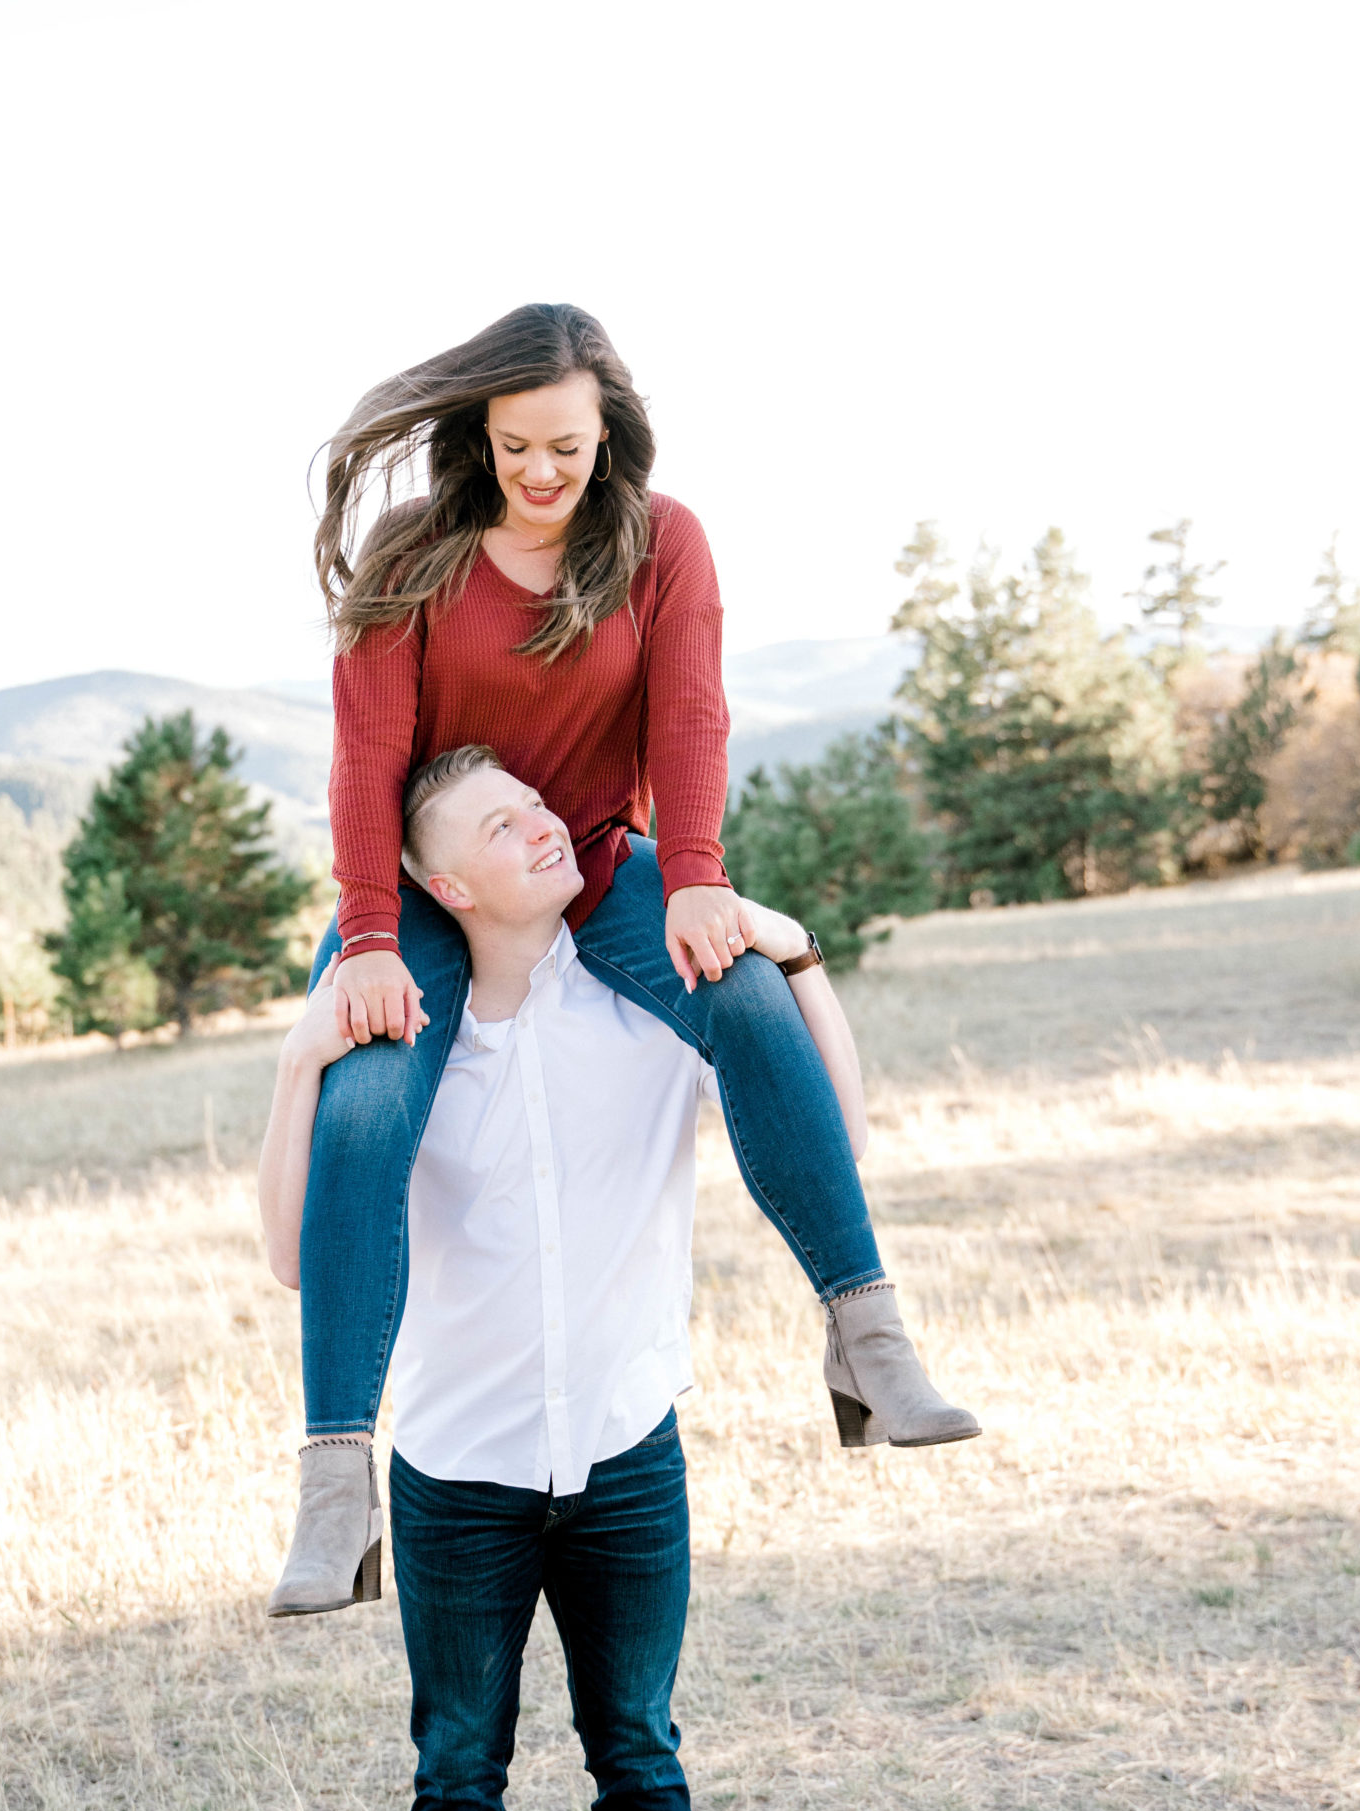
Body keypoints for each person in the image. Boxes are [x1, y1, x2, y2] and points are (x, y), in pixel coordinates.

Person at [274, 300, 975, 1616]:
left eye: (569, 450)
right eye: (516, 446)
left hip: (595, 851)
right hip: (431, 882)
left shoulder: (662, 546)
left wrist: (698, 876)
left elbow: (694, 709)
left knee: (752, 1003)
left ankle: (868, 1339)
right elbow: (367, 759)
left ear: (613, 441)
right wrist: (370, 935)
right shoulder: (413, 553)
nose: (541, 475)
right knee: (365, 1104)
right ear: (480, 436)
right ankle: (333, 1485)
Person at [257, 747, 872, 1811]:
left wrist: (801, 957)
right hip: (456, 1474)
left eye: (542, 809)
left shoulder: (643, 1009)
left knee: (638, 1749)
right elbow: (296, 1255)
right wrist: (302, 1054)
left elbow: (828, 1124)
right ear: (436, 880)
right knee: (457, 1767)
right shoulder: (399, 1049)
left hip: (625, 1454)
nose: (546, 829)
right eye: (500, 824)